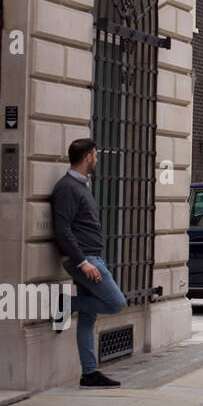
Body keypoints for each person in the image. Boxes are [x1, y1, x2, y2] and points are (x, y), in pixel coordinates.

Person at [50, 138, 126, 387]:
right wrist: (82, 262)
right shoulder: (67, 188)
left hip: (92, 257)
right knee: (116, 303)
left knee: (88, 316)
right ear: (87, 157)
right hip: (86, 260)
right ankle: (66, 303)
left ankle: (89, 373)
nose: (97, 159)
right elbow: (62, 229)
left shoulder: (81, 185)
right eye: (95, 154)